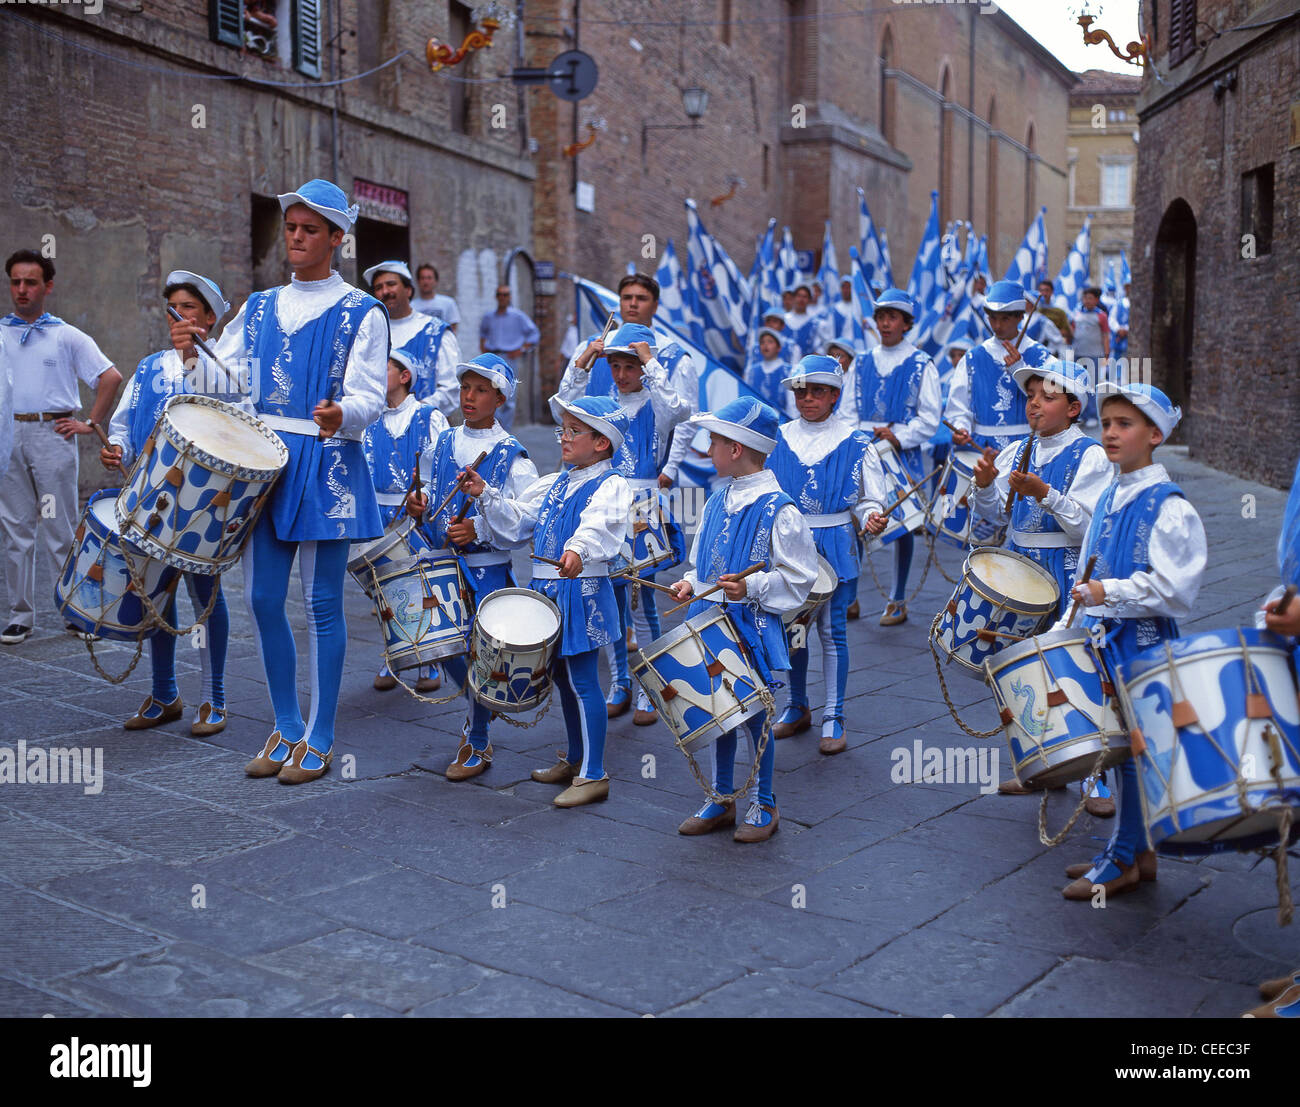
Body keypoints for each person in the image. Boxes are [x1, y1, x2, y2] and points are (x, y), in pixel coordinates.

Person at [211, 179, 388, 785]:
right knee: (261, 600)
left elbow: (370, 394)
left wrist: (346, 415)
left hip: (326, 462)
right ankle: (285, 724)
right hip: (262, 463)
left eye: (310, 229)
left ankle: (321, 733)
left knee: (320, 604)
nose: (296, 237)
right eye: (290, 227)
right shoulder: (258, 306)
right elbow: (227, 378)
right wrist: (195, 356)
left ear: (337, 239)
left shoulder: (363, 311)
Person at [1057, 382, 1206, 901]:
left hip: (1141, 642)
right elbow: (1091, 566)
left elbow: (1175, 589)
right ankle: (1137, 851)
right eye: (1106, 424)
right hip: (1105, 639)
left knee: (1135, 751)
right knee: (1121, 750)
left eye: (1125, 425)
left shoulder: (1167, 505)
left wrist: (1108, 590)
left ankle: (1122, 857)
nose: (1111, 433)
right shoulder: (1111, 495)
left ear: (1156, 435)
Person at [463, 394, 632, 807]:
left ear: (601, 443)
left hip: (581, 591)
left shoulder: (610, 484)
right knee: (560, 679)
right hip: (548, 593)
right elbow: (519, 520)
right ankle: (576, 758)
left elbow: (599, 524)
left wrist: (578, 549)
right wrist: (486, 494)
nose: (564, 437)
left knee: (584, 681)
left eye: (575, 431)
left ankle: (595, 773)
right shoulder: (558, 480)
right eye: (564, 429)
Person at [668, 396, 818, 841]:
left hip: (749, 627)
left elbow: (800, 578)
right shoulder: (717, 500)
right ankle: (721, 798)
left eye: (714, 441)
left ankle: (765, 803)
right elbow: (703, 567)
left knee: (755, 715)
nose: (709, 449)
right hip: (708, 620)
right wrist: (690, 585)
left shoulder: (781, 510)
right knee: (717, 709)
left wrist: (751, 587)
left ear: (736, 449)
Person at [969, 358, 1112, 805]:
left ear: (1072, 408)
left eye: (1047, 397)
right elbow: (993, 520)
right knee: (1021, 668)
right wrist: (987, 486)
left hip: (1068, 566)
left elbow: (1087, 528)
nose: (1034, 405)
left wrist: (1045, 494)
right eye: (1031, 397)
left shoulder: (1090, 454)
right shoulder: (1017, 449)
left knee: (1075, 668)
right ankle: (1039, 764)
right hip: (1021, 567)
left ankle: (1097, 776)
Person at [102, 270, 236, 736]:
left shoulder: (224, 370)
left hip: (202, 507)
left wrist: (192, 357)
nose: (178, 315)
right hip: (148, 499)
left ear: (211, 320)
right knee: (154, 594)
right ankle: (164, 693)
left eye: (190, 308)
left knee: (206, 597)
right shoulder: (147, 367)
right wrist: (116, 446)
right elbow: (123, 421)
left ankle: (214, 698)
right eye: (173, 307)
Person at [406, 353, 538, 781]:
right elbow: (428, 484)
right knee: (440, 646)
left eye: (480, 390)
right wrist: (419, 503)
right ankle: (479, 706)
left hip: (485, 569)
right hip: (442, 564)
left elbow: (524, 521)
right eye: (465, 388)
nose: (469, 397)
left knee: (481, 653)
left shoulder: (511, 455)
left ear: (499, 398)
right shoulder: (443, 441)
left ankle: (477, 736)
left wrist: (479, 525)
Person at [559, 322, 689, 723]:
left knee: (644, 598)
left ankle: (651, 686)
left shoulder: (657, 406)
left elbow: (680, 408)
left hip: (644, 508)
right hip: (604, 503)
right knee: (610, 598)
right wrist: (582, 362)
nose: (621, 374)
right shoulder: (604, 406)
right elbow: (563, 405)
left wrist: (651, 362)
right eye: (614, 365)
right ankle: (620, 682)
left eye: (629, 366)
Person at [1, 249, 122, 645]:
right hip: (9, 436)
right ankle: (20, 615)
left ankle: (75, 611)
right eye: (16, 281)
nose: (21, 289)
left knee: (61, 528)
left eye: (30, 281)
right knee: (15, 529)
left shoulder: (65, 334)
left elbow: (110, 376)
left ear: (47, 287)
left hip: (53, 434)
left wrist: (91, 422)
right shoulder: (1, 334)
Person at [768, 356, 888, 753]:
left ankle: (834, 714)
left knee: (833, 632)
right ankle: (797, 704)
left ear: (835, 395)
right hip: (790, 545)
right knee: (794, 632)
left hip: (835, 541)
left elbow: (871, 498)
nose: (808, 398)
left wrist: (871, 516)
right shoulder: (779, 436)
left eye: (818, 391)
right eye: (802, 391)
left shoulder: (856, 442)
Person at [838, 288, 941, 627]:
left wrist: (898, 435)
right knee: (853, 520)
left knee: (901, 524)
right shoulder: (863, 362)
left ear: (907, 323)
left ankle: (897, 598)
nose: (885, 323)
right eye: (881, 316)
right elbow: (848, 409)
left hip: (900, 454)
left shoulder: (922, 364)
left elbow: (928, 417)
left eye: (892, 317)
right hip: (863, 450)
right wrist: (858, 437)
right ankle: (850, 595)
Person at [363, 347, 450, 694]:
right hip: (377, 515)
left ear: (404, 376)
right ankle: (393, 653)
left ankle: (428, 659)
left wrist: (423, 495)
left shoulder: (428, 417)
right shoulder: (369, 418)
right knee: (383, 590)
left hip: (415, 514)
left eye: (384, 369)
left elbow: (441, 467)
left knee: (418, 585)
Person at [946, 279, 1053, 455]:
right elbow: (958, 405)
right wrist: (960, 428)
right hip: (982, 448)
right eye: (993, 318)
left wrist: (1020, 370)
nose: (997, 325)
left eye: (1005, 319)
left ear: (1020, 316)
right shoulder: (973, 357)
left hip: (1028, 448)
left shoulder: (1041, 355)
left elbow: (1052, 399)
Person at [364, 261, 458, 418]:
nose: (385, 291)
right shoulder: (368, 333)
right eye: (378, 288)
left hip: (425, 429)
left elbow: (451, 390)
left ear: (408, 290)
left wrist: (413, 412)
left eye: (391, 284)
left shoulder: (436, 331)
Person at [478, 284, 538, 432]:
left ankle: (505, 431)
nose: (503, 297)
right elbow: (483, 334)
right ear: (496, 297)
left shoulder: (518, 316)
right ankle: (492, 428)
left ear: (510, 297)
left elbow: (534, 334)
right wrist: (484, 349)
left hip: (510, 358)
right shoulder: (489, 317)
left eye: (506, 294)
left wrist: (522, 349)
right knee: (491, 393)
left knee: (509, 395)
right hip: (493, 357)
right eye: (500, 294)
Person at [744, 308, 797, 419]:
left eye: (770, 342)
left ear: (778, 348)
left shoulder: (790, 371)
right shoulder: (751, 371)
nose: (765, 346)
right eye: (762, 342)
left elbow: (793, 404)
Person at [1070, 285, 1110, 424]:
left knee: (1091, 385)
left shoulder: (1101, 316)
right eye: (1085, 298)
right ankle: (1079, 413)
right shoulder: (1077, 313)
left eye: (1090, 298)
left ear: (1096, 300)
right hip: (1078, 353)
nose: (1086, 301)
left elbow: (1106, 335)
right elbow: (1071, 330)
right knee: (1078, 385)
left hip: (1094, 355)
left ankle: (1092, 415)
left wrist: (1106, 353)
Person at [411, 263, 460, 332]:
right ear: (418, 281)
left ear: (436, 281)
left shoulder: (448, 303)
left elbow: (453, 328)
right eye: (422, 278)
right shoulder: (411, 306)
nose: (426, 281)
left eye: (429, 278)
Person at [783, 283, 820, 358]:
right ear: (793, 298)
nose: (801, 299)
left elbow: (818, 348)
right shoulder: (783, 319)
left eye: (805, 297)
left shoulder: (815, 323)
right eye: (799, 296)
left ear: (809, 300)